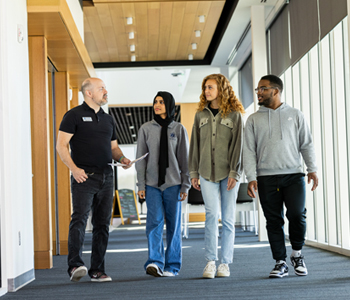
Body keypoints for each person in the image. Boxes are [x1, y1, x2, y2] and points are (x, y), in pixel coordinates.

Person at [243, 74, 318, 278]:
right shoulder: (252, 119)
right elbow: (248, 151)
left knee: (297, 215)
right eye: (258, 89)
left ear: (275, 91)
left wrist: (312, 168)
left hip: (294, 175)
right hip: (266, 177)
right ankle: (280, 262)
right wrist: (251, 177)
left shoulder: (295, 114)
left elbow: (306, 143)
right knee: (273, 220)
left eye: (262, 89)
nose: (258, 92)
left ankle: (297, 254)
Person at [56, 77, 131, 283]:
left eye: (105, 88)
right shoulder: (73, 116)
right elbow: (61, 146)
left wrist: (123, 159)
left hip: (107, 176)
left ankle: (97, 269)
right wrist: (73, 169)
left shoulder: (108, 119)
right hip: (84, 177)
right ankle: (75, 265)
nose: (105, 91)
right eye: (101, 89)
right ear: (89, 93)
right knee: (79, 219)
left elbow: (114, 148)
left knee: (102, 224)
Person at [189, 73, 244, 279]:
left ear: (221, 88)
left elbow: (238, 146)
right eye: (205, 88)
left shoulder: (235, 115)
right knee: (211, 216)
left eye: (210, 87)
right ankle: (210, 262)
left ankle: (225, 263)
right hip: (205, 173)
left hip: (228, 173)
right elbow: (194, 145)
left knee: (228, 219)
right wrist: (193, 172)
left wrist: (234, 172)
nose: (207, 91)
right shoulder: (199, 115)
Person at [136, 91, 190, 277]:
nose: (157, 105)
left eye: (161, 102)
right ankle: (155, 262)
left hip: (173, 184)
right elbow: (141, 160)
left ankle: (172, 266)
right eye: (155, 102)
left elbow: (185, 160)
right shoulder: (145, 129)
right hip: (152, 185)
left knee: (174, 225)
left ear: (169, 105)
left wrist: (185, 185)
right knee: (154, 222)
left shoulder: (179, 129)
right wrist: (141, 185)